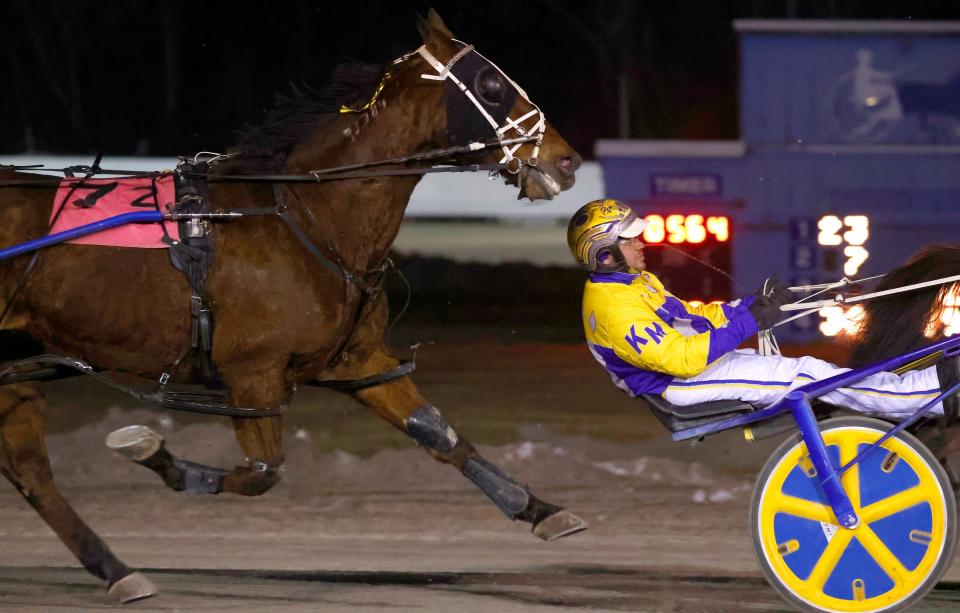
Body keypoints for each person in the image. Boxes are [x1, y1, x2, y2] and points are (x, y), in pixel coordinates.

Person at [566, 199, 956, 420]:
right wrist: (750, 322)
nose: (642, 243)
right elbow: (680, 359)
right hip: (680, 386)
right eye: (631, 239)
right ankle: (920, 397)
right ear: (604, 254)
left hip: (698, 370)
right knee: (809, 376)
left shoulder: (635, 283)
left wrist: (751, 305)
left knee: (811, 371)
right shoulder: (612, 306)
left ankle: (904, 393)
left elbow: (697, 321)